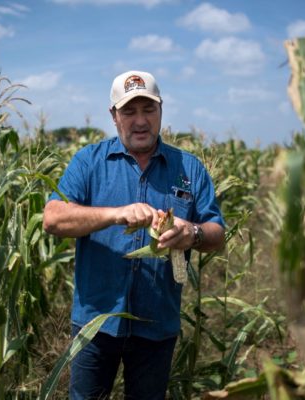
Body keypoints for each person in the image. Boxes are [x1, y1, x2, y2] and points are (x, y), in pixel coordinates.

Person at [43, 70, 225, 399]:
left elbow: (217, 233)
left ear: (161, 111)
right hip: (95, 324)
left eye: (148, 110)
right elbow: (53, 218)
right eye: (129, 111)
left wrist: (192, 232)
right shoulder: (89, 162)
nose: (140, 121)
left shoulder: (189, 168)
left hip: (157, 326)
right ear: (114, 116)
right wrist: (116, 213)